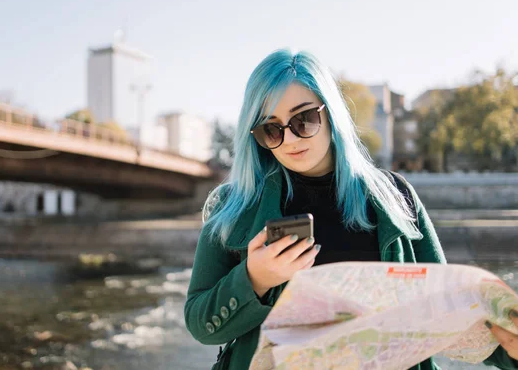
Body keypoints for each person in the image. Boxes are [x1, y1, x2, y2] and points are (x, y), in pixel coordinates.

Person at [184, 49, 518, 370]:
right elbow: (201, 324)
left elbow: (449, 312)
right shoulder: (232, 206)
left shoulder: (395, 195)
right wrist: (254, 280)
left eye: (303, 120)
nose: (290, 140)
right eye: (271, 129)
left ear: (331, 113)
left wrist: (512, 352)